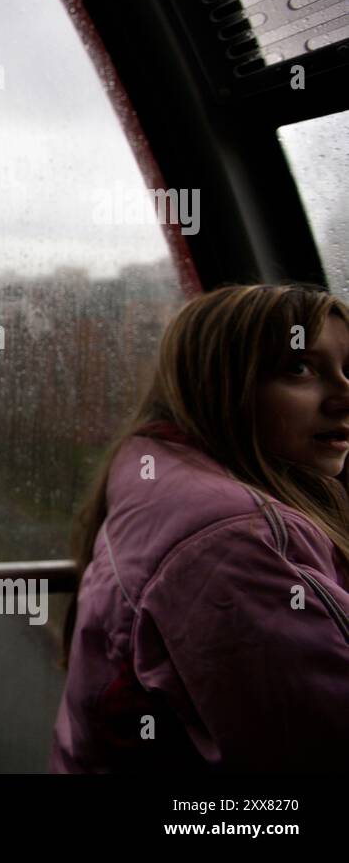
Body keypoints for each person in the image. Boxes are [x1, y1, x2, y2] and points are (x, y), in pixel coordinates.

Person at [51, 283, 349, 772]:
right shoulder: (234, 540)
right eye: (300, 367)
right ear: (219, 386)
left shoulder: (157, 477)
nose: (344, 397)